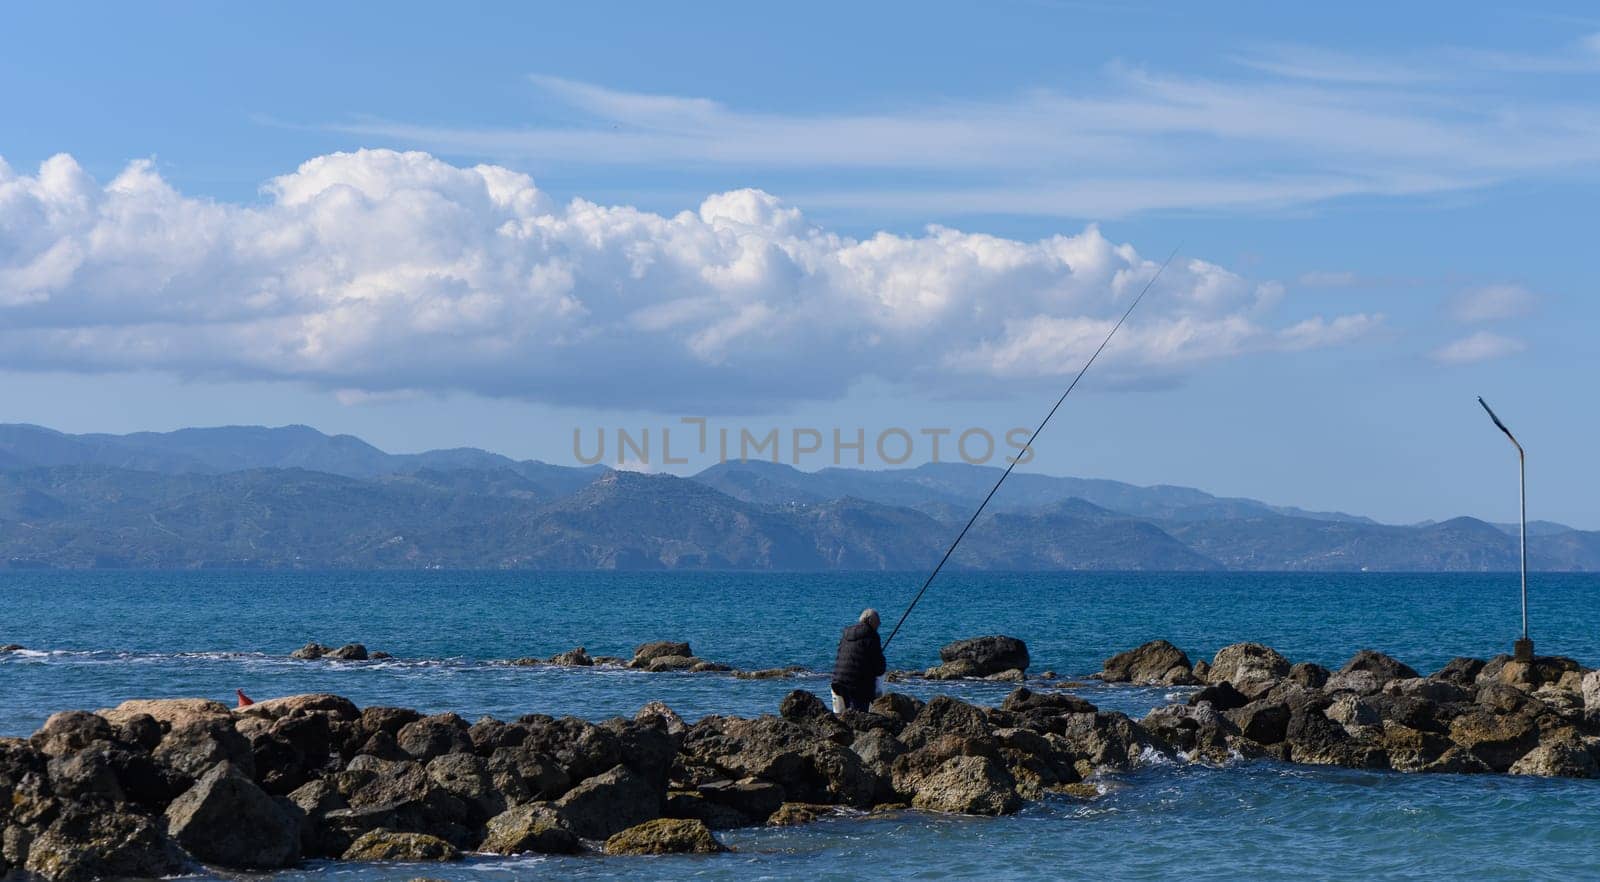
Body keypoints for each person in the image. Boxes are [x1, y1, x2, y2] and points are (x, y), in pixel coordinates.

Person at [831, 608, 886, 713]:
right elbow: (880, 668)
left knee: (841, 719)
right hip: (858, 687)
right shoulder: (872, 636)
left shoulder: (846, 634)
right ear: (870, 621)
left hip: (838, 683)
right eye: (877, 623)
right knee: (858, 719)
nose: (878, 626)